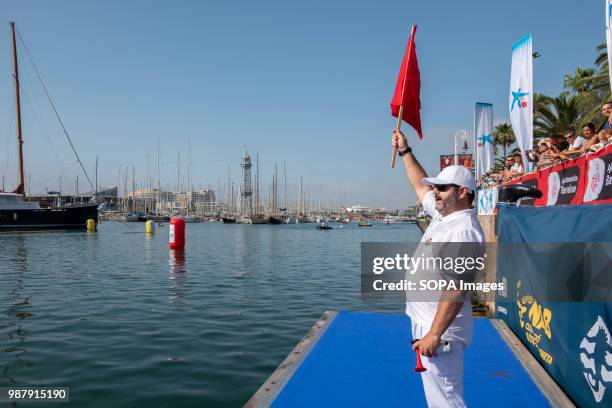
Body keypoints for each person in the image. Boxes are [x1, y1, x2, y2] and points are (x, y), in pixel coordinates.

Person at [392, 129, 484, 408]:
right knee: (437, 396)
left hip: (440, 331)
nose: (435, 192)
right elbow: (420, 187)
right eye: (436, 187)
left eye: (442, 188)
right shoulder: (444, 214)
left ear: (463, 192)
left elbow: (456, 288)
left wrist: (433, 334)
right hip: (427, 324)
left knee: (446, 399)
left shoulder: (464, 230)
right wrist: (405, 152)